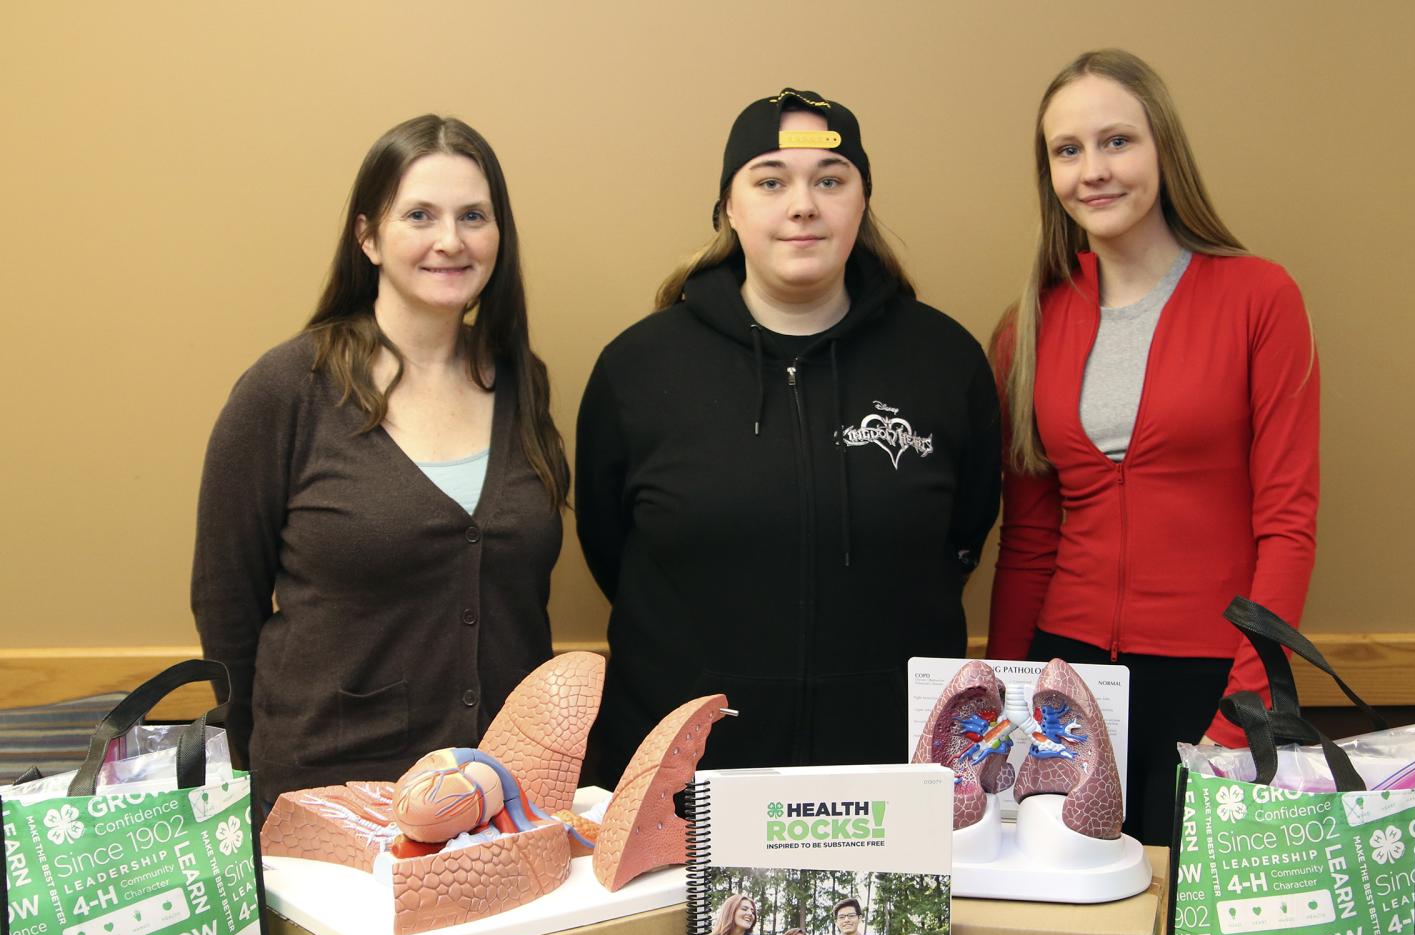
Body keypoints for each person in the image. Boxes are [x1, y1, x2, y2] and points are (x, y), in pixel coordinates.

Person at [575, 88, 1002, 787]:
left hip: (887, 782)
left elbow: (963, 535)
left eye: (830, 181)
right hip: (681, 784)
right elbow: (610, 546)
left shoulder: (943, 362)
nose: (802, 205)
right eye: (770, 181)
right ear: (730, 207)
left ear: (862, 204)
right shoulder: (639, 369)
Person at [986, 50, 1319, 846]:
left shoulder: (1260, 298)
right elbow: (1029, 541)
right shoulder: (1025, 327)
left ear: (1163, 149)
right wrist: (1001, 707)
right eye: (1067, 151)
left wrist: (1247, 711)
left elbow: (1287, 524)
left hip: (1212, 676)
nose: (1092, 171)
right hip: (1066, 687)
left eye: (1117, 142)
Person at [192, 116, 570, 812]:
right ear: (367, 236)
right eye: (419, 215)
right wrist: (259, 748)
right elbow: (225, 599)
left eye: (473, 216)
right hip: (332, 795)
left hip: (505, 793)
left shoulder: (522, 383)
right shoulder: (287, 389)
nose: (449, 240)